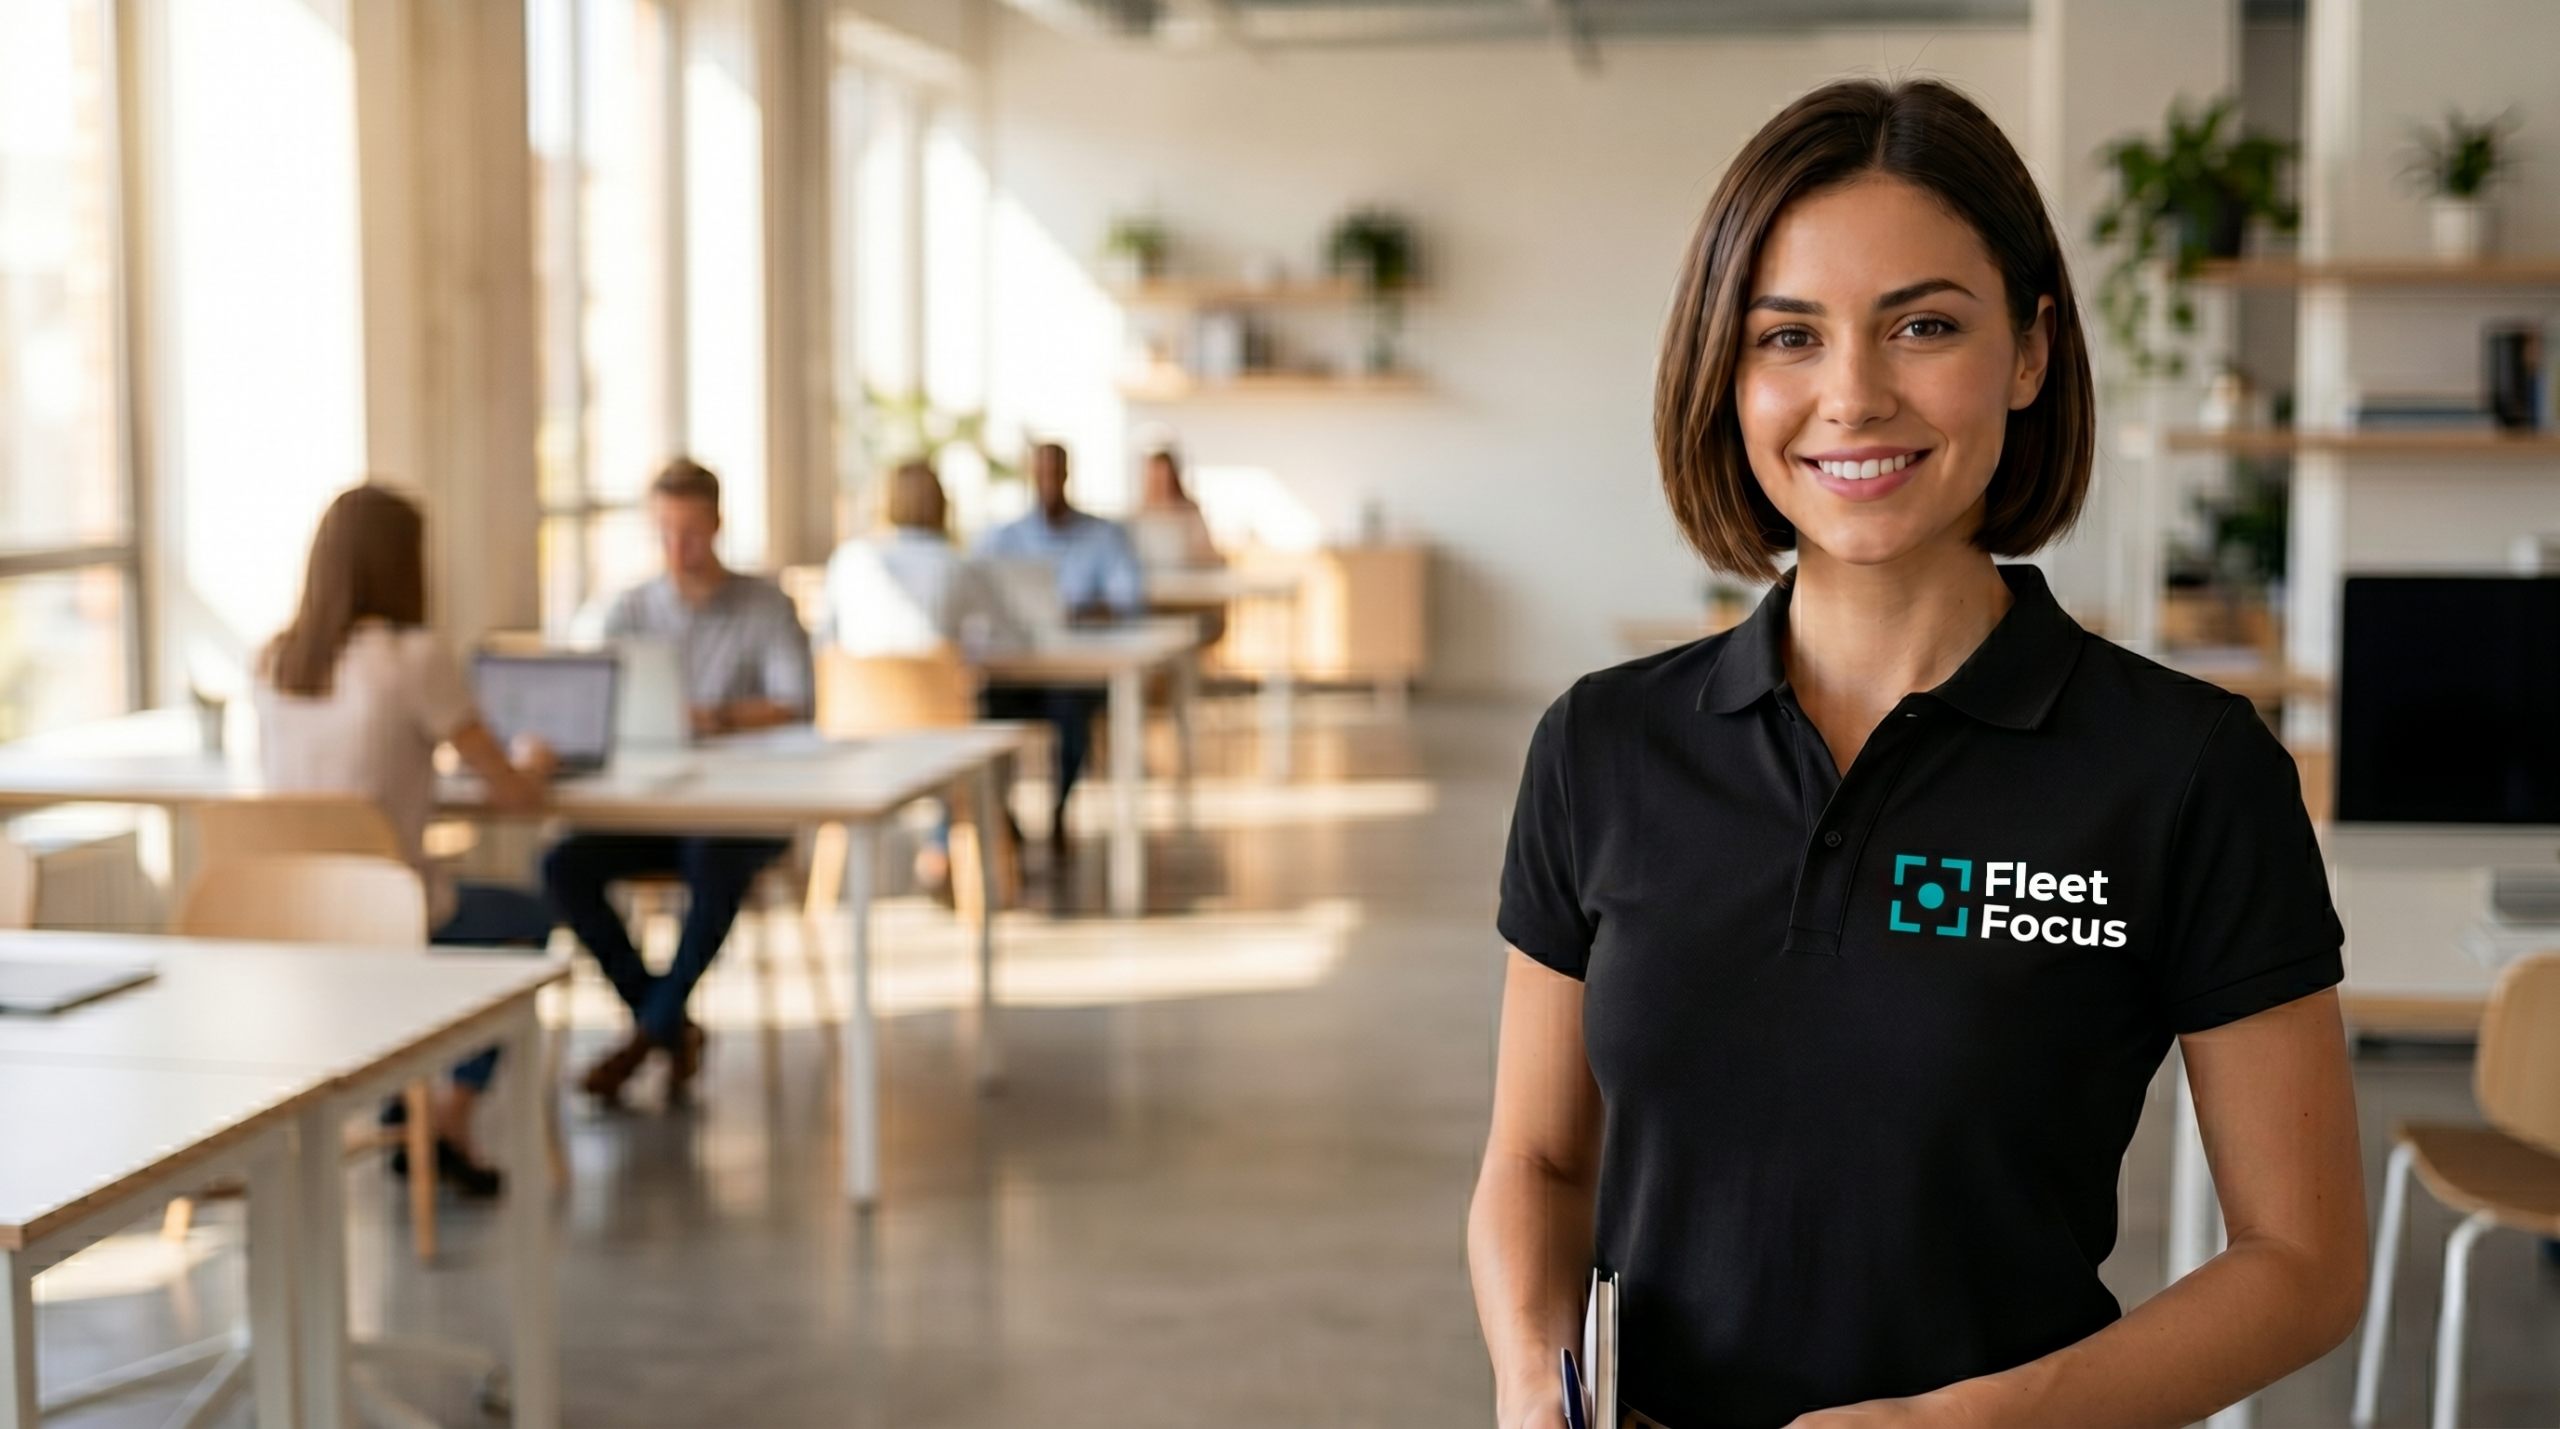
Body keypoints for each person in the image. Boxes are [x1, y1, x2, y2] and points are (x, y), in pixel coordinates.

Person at [1468, 79, 2365, 1429]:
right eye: (1789, 336)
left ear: (2030, 352)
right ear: (1726, 373)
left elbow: (2303, 1261)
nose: (1853, 395)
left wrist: (1956, 1427)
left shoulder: (2186, 770)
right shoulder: (1602, 746)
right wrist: (1533, 1379)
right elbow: (1537, 1160)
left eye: (1923, 325)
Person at [255, 483, 558, 1197]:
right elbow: (512, 793)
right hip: (389, 917)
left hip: (287, 918)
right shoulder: (413, 656)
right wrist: (537, 762)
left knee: (446, 929)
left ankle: (407, 1107)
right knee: (532, 918)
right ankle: (448, 1113)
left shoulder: (273, 658)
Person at [543, 458, 815, 1105]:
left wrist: (717, 718)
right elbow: (593, 702)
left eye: (690, 533)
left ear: (717, 525)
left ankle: (647, 1034)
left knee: (713, 856)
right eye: (664, 532)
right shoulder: (627, 609)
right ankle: (665, 1022)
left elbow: (796, 702)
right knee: (561, 864)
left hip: (742, 814)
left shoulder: (765, 604)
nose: (677, 548)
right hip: (652, 809)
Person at [974, 442, 1145, 850]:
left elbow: (1128, 598)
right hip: (1017, 667)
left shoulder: (1103, 536)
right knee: (986, 708)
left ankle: (1060, 810)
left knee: (1072, 711)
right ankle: (1003, 814)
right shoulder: (1003, 538)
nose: (1048, 483)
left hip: (1075, 667)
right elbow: (976, 591)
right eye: (1041, 474)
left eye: (1055, 473)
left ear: (1068, 475)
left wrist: (1081, 612)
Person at [822, 459, 1024, 659]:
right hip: (936, 680)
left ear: (884, 503)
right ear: (942, 504)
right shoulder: (955, 567)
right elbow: (1010, 641)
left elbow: (823, 643)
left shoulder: (849, 560)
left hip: (857, 680)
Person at [1128, 447, 1223, 572]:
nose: (1157, 481)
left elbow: (1206, 550)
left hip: (1185, 578)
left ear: (1172, 477)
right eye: (1153, 475)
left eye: (1162, 475)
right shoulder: (1137, 514)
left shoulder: (1189, 511)